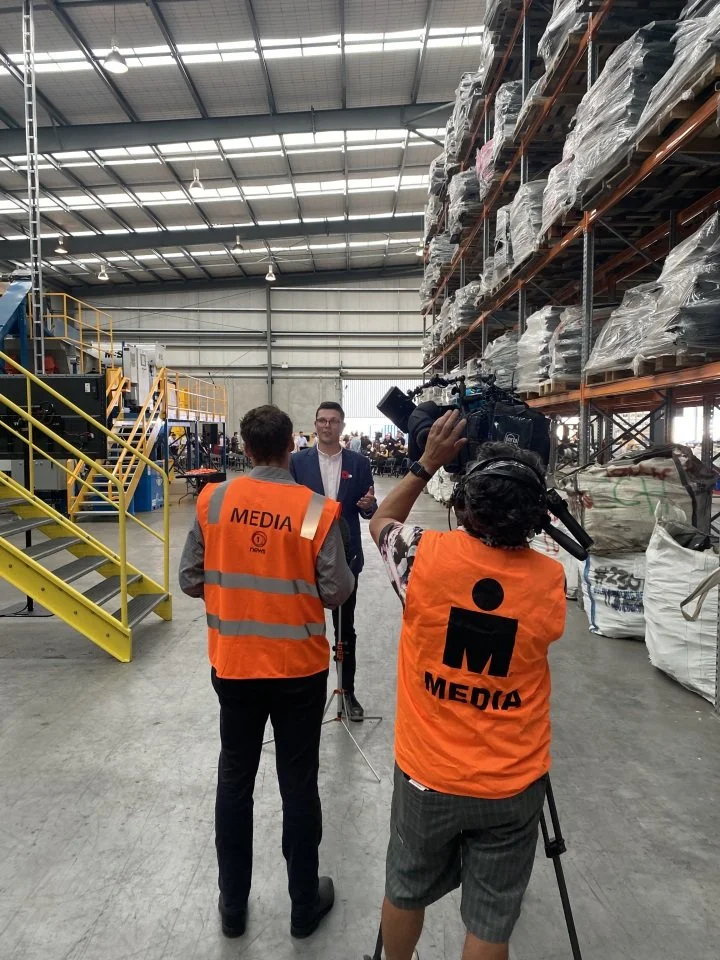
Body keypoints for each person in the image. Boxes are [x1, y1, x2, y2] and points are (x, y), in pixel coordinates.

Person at [369, 413, 567, 960]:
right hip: (511, 780)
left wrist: (426, 463)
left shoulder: (421, 557)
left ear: (464, 504)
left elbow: (381, 518)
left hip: (428, 774)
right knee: (491, 919)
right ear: (535, 517)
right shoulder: (550, 580)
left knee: (405, 886)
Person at [179, 404, 355, 942]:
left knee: (235, 780)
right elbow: (335, 591)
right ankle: (303, 905)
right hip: (298, 670)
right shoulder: (312, 509)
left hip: (234, 665)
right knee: (298, 784)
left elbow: (190, 578)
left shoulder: (215, 500)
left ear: (245, 447)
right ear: (289, 449)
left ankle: (233, 907)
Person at [291, 401, 377, 722]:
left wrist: (369, 505)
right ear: (315, 424)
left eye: (333, 421)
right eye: (322, 421)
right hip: (306, 554)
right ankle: (305, 695)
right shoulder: (297, 462)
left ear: (342, 425)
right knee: (305, 629)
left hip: (345, 555)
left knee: (345, 630)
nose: (327, 426)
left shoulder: (359, 462)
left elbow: (368, 508)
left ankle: (348, 690)